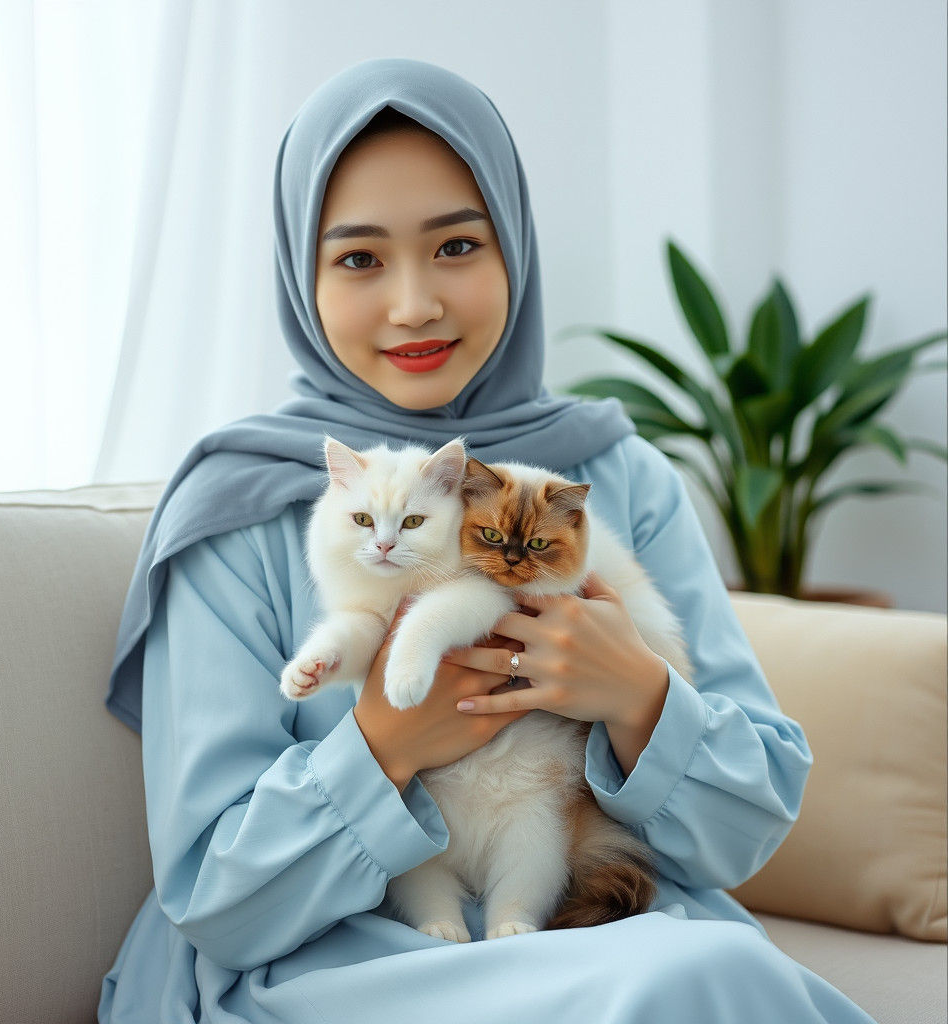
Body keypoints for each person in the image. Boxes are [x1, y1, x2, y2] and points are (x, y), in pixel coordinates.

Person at [98, 58, 877, 1023]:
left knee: (715, 976)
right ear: (301, 275)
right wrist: (386, 741)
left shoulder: (613, 475)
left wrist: (635, 695)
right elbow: (217, 894)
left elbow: (745, 829)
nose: (415, 303)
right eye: (358, 258)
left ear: (514, 246)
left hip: (600, 936)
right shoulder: (242, 506)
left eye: (457, 246)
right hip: (345, 967)